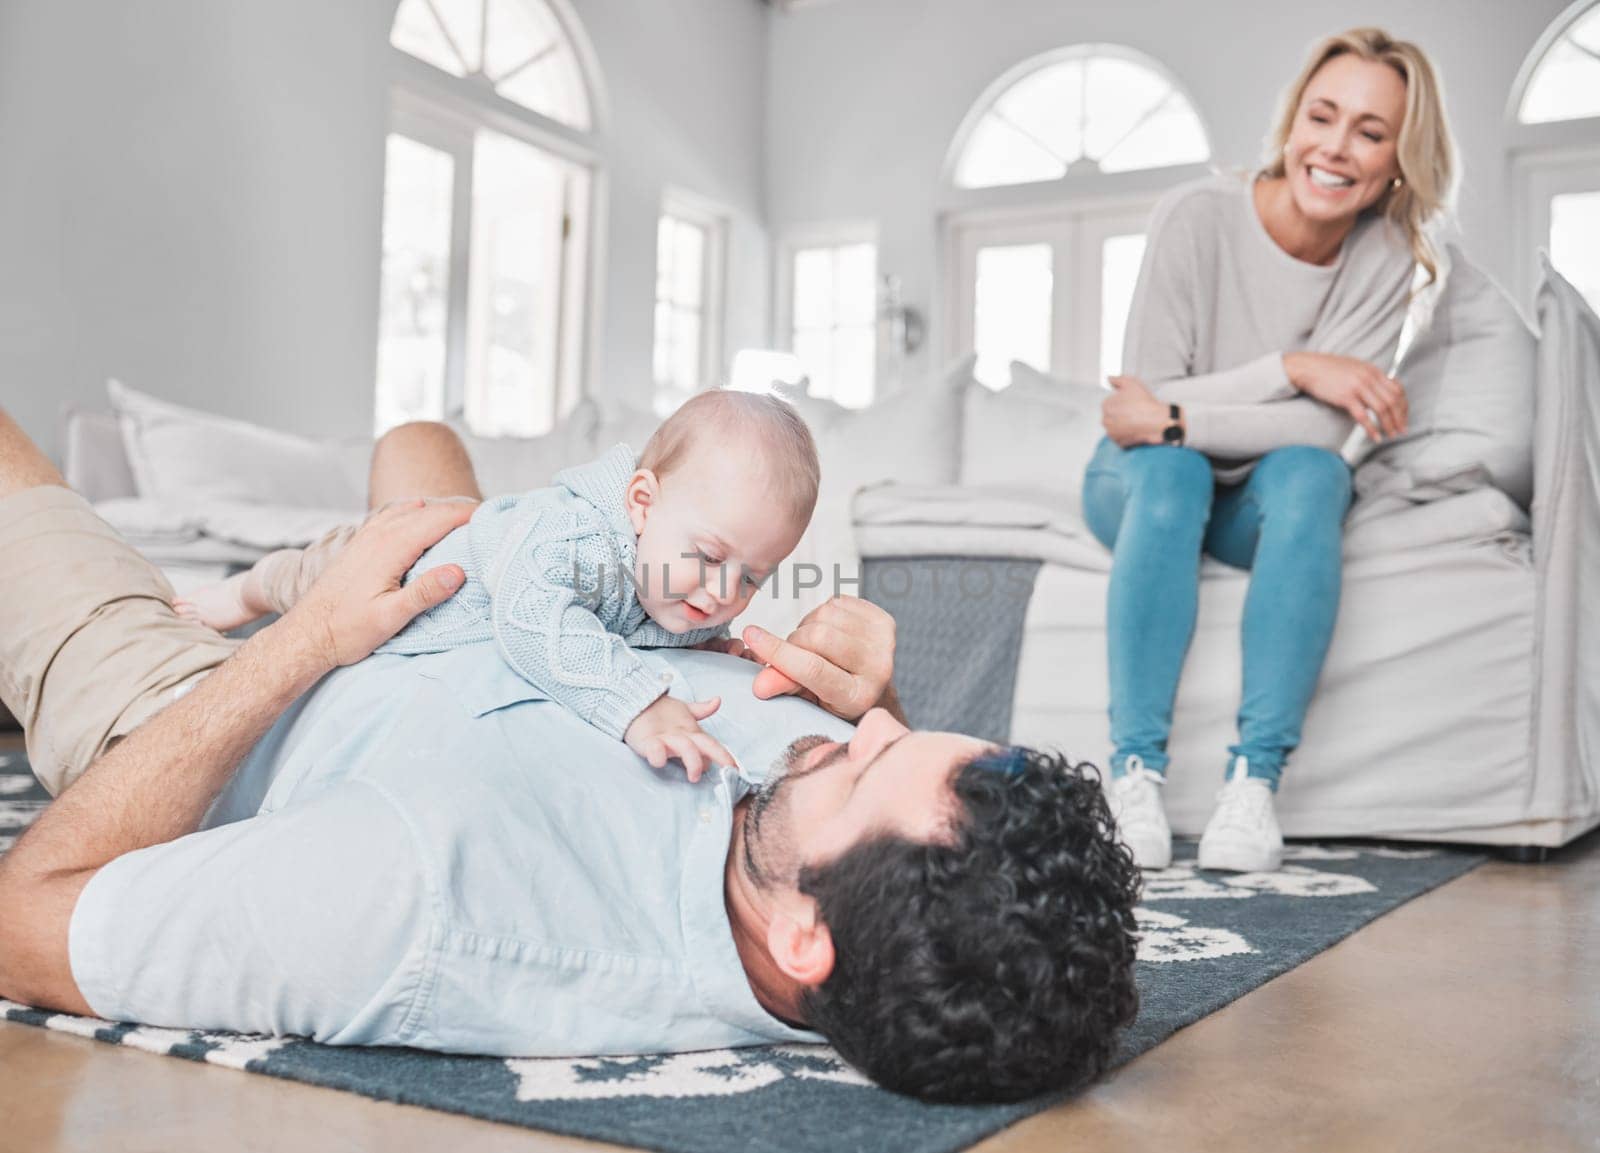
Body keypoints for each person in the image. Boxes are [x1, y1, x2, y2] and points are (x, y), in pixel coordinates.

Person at [0, 412, 1141, 1105]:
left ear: (807, 939)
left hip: (208, 707)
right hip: (476, 610)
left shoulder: (414, 909)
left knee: (18, 486)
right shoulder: (837, 863)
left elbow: (23, 922)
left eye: (861, 766)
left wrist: (309, 636)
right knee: (417, 441)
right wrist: (884, 711)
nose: (865, 729)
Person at [1084, 27, 1457, 872]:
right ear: (1292, 124)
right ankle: (1133, 772)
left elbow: (1319, 431)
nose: (1335, 147)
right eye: (1322, 117)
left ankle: (1253, 786)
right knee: (1176, 470)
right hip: (1139, 484)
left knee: (1316, 473)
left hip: (1253, 502)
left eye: (1370, 131)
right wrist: (1292, 368)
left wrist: (1182, 413)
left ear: (1400, 159)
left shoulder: (1389, 256)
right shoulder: (1195, 218)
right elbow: (1135, 411)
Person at [177, 389, 823, 781]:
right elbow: (531, 616)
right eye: (709, 556)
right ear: (641, 502)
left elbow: (669, 622)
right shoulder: (576, 537)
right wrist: (636, 702)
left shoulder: (682, 580)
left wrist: (714, 649)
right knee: (305, 576)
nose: (720, 592)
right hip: (403, 564)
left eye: (751, 576)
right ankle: (244, 592)